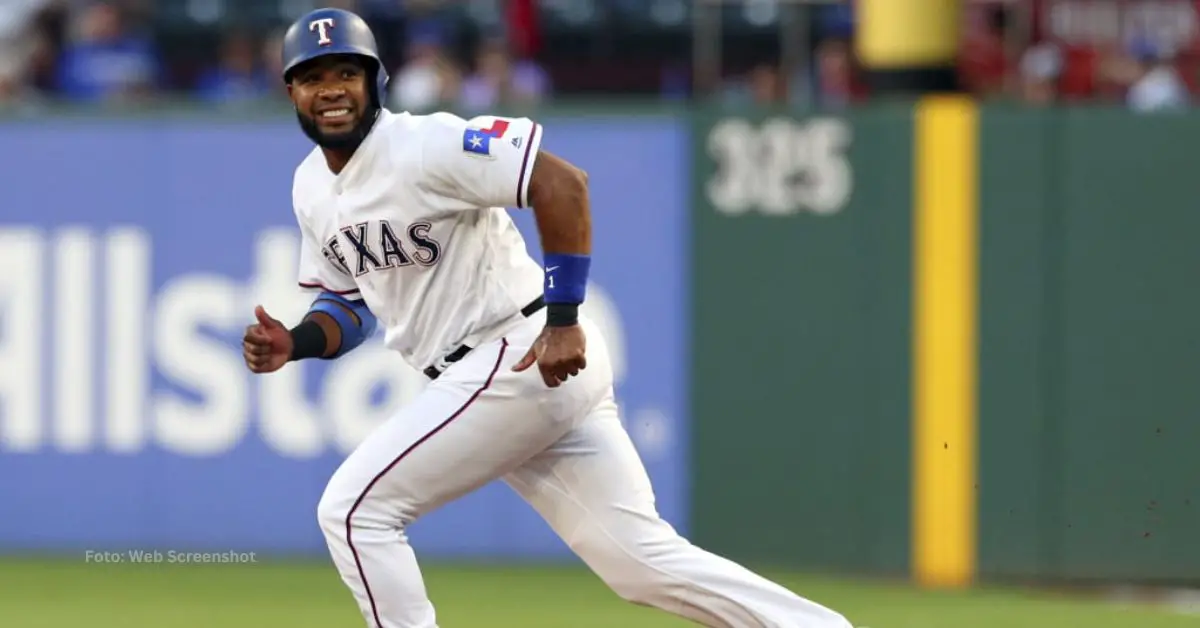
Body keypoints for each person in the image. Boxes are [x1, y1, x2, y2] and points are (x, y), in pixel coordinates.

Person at [242, 8, 854, 628]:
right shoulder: (310, 188)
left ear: (376, 80)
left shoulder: (425, 145)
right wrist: (294, 341)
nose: (331, 90)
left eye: (347, 72)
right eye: (313, 77)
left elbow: (562, 184)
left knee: (354, 511)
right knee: (642, 564)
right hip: (505, 373)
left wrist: (564, 319)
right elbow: (349, 305)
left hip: (515, 352)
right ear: (291, 90)